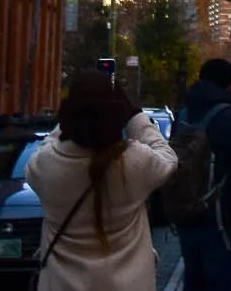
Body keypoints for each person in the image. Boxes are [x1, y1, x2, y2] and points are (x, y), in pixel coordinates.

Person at [25, 69, 178, 290]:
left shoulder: (46, 166)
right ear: (118, 115)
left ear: (69, 113)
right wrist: (136, 117)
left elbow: (48, 143)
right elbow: (168, 158)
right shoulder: (133, 163)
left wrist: (69, 119)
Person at [173, 57, 231, 291]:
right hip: (221, 223)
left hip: (186, 214)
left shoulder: (183, 115)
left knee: (193, 280)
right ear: (230, 84)